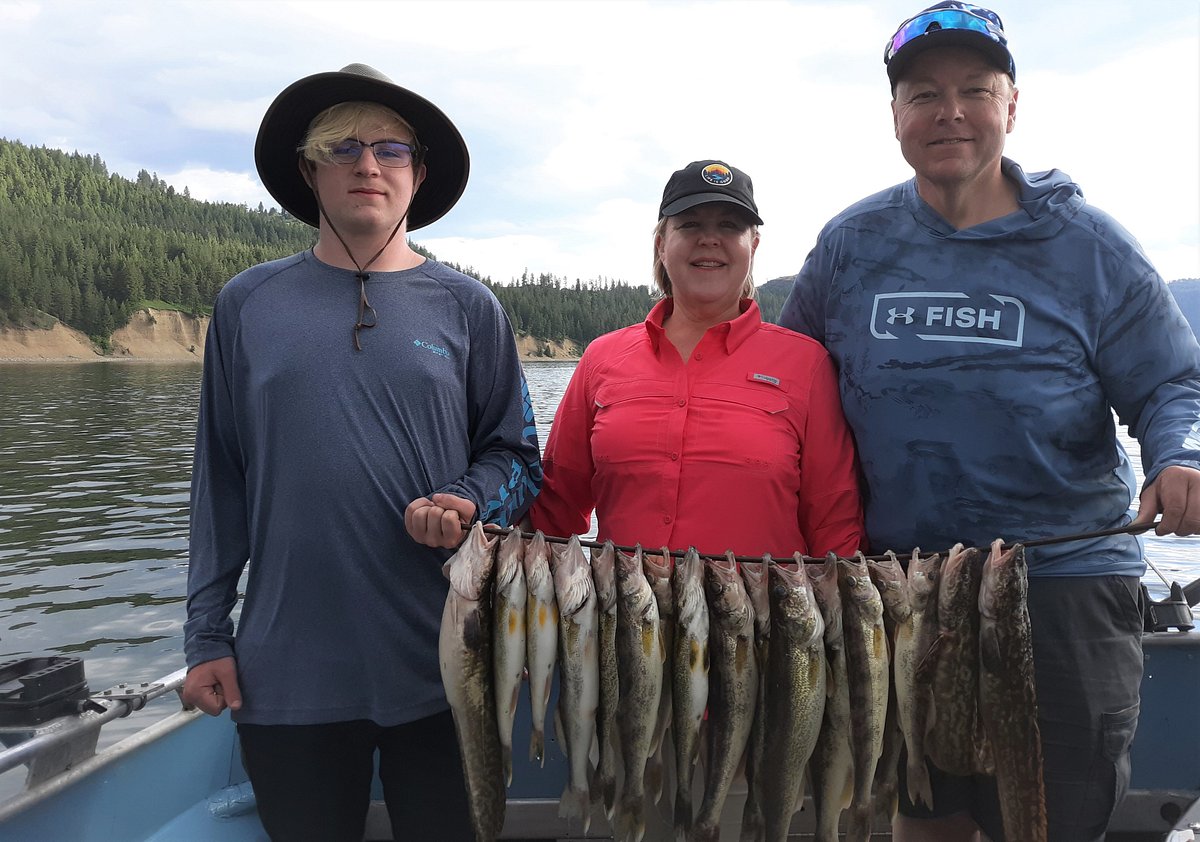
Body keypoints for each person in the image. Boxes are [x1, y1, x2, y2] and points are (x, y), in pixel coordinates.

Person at [779, 4, 1200, 841]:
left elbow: (1169, 383)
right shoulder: (850, 245)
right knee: (923, 811)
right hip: (903, 588)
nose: (951, 112)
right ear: (895, 116)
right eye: (924, 94)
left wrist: (1179, 456)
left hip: (1066, 588)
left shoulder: (1089, 245)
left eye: (976, 89)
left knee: (1049, 819)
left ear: (1013, 106)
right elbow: (788, 395)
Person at [181, 63, 542, 842]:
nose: (368, 165)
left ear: (417, 172)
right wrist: (207, 635)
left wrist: (468, 499)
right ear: (309, 170)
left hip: (447, 668)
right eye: (342, 147)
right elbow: (220, 481)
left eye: (391, 149)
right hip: (288, 671)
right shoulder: (249, 303)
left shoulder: (470, 307)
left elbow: (518, 458)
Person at [530, 159, 863, 560]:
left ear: (752, 246)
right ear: (661, 245)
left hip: (761, 620)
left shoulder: (806, 364)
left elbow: (835, 524)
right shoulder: (601, 358)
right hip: (625, 618)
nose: (710, 239)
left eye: (729, 226)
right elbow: (554, 509)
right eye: (689, 225)